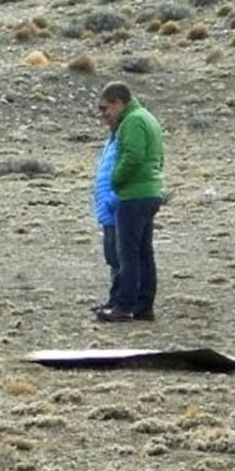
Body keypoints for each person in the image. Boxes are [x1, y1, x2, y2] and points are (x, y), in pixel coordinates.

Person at [95, 82, 164, 322]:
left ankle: (123, 306)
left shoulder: (132, 121)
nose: (104, 114)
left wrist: (116, 180)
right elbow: (158, 158)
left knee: (129, 255)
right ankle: (143, 306)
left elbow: (133, 157)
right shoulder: (147, 118)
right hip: (149, 193)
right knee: (144, 253)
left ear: (117, 102)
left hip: (133, 196)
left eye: (106, 108)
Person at [90, 97, 121, 313]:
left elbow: (130, 168)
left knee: (119, 257)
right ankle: (114, 299)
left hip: (114, 207)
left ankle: (121, 301)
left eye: (105, 110)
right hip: (107, 209)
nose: (103, 116)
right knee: (112, 256)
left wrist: (113, 199)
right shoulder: (113, 138)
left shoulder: (124, 137)